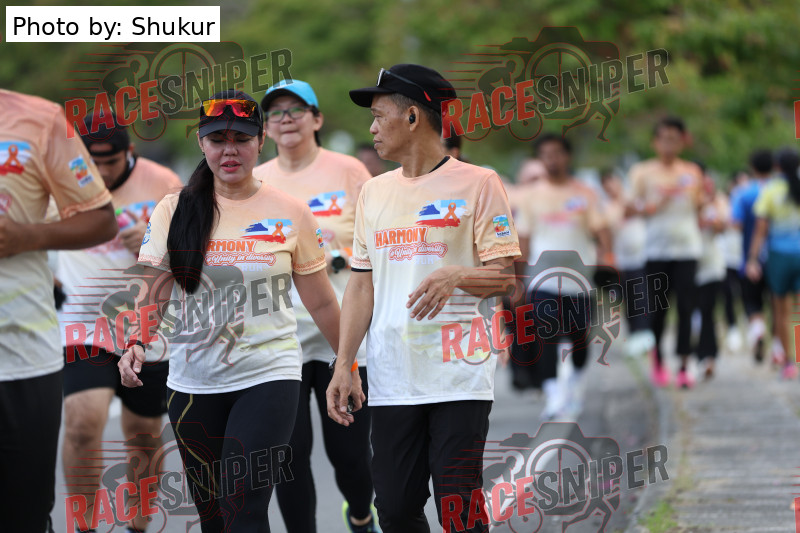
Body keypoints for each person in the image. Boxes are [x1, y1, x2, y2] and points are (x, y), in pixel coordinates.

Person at [119, 90, 347, 532]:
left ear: (260, 141)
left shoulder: (291, 212)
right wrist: (136, 340)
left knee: (244, 506)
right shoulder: (174, 209)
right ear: (201, 143)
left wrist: (348, 363)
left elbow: (320, 300)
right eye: (217, 139)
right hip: (193, 380)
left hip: (270, 372)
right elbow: (155, 288)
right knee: (213, 517)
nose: (230, 150)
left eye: (241, 139)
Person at [327, 64, 520, 533]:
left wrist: (457, 275)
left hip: (459, 373)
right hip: (393, 377)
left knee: (458, 507)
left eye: (379, 116)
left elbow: (505, 279)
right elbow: (361, 284)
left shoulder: (479, 183)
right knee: (395, 509)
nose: (372, 129)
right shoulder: (373, 193)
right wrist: (345, 363)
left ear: (412, 117)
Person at [253, 79, 378, 533]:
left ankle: (361, 514)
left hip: (339, 333)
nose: (286, 119)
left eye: (296, 109)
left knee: (350, 454)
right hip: (278, 337)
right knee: (288, 456)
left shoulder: (349, 171)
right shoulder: (255, 179)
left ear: (317, 118)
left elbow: (377, 240)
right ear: (265, 128)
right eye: (276, 112)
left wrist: (341, 257)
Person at [56, 113, 182, 533]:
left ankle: (138, 525)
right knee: (81, 424)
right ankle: (84, 526)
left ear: (129, 152)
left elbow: (192, 252)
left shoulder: (162, 182)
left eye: (110, 163)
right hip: (84, 324)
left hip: (147, 326)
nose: (101, 173)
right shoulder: (62, 180)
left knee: (143, 436)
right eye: (92, 164)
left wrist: (153, 238)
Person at [0, 89, 116, 533]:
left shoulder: (40, 119)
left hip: (22, 358)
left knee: (24, 516)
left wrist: (26, 236)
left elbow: (101, 218)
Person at [513, 134, 611, 418]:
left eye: (557, 153)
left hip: (580, 279)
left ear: (567, 156)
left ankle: (576, 379)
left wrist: (607, 256)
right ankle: (553, 392)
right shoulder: (531, 196)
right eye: (546, 154)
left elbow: (601, 230)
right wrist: (518, 279)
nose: (552, 159)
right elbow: (524, 238)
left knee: (579, 335)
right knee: (545, 332)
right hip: (541, 278)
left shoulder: (584, 194)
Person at [630, 116, 704, 388]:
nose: (669, 144)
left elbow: (699, 206)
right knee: (659, 309)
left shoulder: (692, 172)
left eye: (674, 139)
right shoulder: (642, 172)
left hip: (687, 249)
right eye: (664, 139)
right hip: (656, 250)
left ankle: (684, 363)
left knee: (686, 307)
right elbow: (630, 207)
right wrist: (651, 205)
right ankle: (658, 358)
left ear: (683, 142)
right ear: (655, 142)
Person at [747, 148, 800, 380]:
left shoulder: (771, 190)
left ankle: (789, 362)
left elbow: (761, 229)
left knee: (781, 312)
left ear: (777, 166)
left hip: (779, 256)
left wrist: (752, 259)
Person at [731, 149, 782, 364]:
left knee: (752, 301)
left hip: (751, 257)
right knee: (778, 303)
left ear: (752, 167)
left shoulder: (743, 193)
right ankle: (778, 348)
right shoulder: (782, 190)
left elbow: (735, 223)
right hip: (778, 256)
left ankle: (758, 329)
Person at [600, 169, 652, 357]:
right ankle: (634, 334)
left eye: (613, 184)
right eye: (607, 187)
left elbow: (643, 210)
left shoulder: (633, 199)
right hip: (621, 260)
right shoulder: (605, 207)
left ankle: (644, 333)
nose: (611, 189)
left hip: (640, 256)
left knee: (642, 296)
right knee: (627, 298)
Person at [694, 171, 730, 380]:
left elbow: (722, 227)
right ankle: (692, 355)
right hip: (689, 265)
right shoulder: (688, 205)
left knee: (707, 311)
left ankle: (708, 356)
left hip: (711, 266)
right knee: (690, 312)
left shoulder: (718, 203)